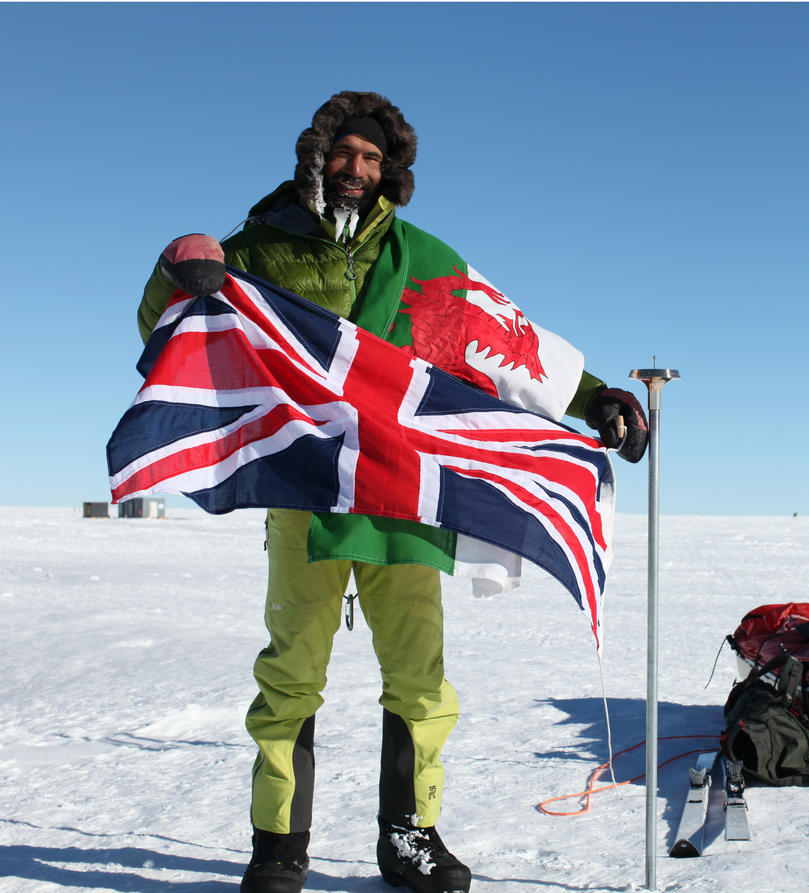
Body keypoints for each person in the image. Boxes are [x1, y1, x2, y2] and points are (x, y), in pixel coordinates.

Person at [138, 91, 647, 893]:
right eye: (347, 152)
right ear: (318, 153)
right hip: (306, 490)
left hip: (408, 492)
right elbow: (171, 320)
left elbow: (509, 345)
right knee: (291, 672)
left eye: (374, 159)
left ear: (391, 172)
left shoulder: (421, 257)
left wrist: (597, 398)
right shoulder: (262, 248)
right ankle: (278, 844)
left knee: (418, 674)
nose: (358, 169)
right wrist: (176, 262)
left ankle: (408, 835)